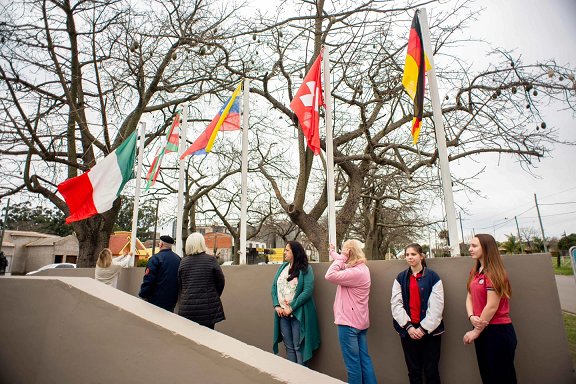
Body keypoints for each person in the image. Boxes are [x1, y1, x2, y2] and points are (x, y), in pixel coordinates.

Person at [463, 234, 517, 383]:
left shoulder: (494, 272)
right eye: (470, 245)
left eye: (474, 246)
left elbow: (492, 305)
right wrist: (471, 317)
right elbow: (469, 297)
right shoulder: (475, 272)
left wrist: (476, 330)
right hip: (482, 330)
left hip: (498, 332)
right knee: (487, 377)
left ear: (486, 248)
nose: (470, 249)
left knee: (502, 378)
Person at [391, 243, 444, 384]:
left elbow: (437, 307)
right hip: (408, 332)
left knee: (431, 371)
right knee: (413, 372)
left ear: (421, 256)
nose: (409, 257)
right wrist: (408, 327)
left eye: (413, 254)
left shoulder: (433, 277)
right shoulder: (400, 278)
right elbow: (396, 304)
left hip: (430, 332)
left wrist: (423, 328)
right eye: (407, 254)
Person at [325, 240, 377, 384]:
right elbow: (344, 263)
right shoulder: (362, 269)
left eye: (345, 251)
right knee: (364, 360)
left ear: (349, 253)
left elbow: (330, 275)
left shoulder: (354, 273)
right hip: (359, 323)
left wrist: (340, 257)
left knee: (352, 365)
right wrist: (333, 253)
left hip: (348, 324)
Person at [271, 241, 321, 365]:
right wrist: (277, 305)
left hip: (298, 314)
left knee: (299, 348)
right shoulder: (282, 267)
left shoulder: (305, 269)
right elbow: (273, 287)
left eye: (287, 250)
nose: (284, 252)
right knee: (289, 348)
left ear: (295, 252)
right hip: (283, 315)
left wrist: (291, 307)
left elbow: (308, 291)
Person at [178, 232, 225, 329]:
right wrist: (213, 295)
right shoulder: (210, 260)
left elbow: (181, 285)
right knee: (208, 337)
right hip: (207, 309)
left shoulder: (183, 262)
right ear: (202, 244)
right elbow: (221, 281)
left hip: (187, 308)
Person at [138, 235, 181, 312]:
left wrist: (143, 294)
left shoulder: (155, 258)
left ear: (160, 245)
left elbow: (149, 279)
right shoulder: (178, 259)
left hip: (155, 301)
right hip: (171, 301)